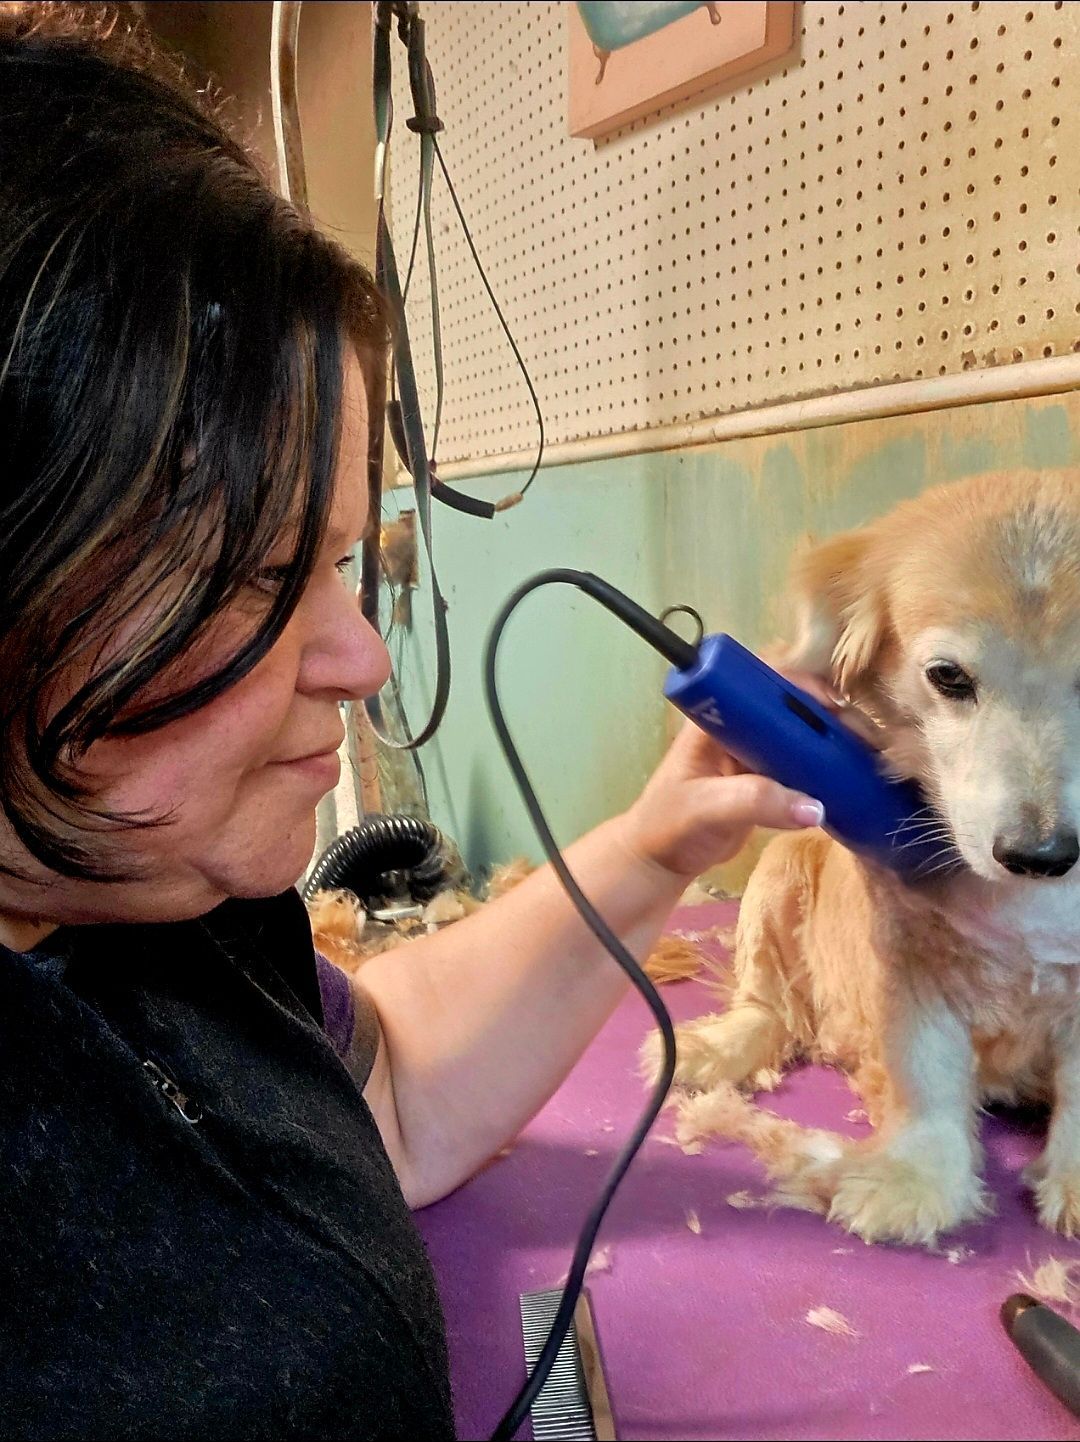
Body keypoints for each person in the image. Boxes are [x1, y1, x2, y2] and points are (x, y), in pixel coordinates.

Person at [0, 5, 829, 1438]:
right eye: (262, 576)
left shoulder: (157, 895)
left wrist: (650, 847)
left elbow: (384, 1093)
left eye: (337, 559)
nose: (363, 658)